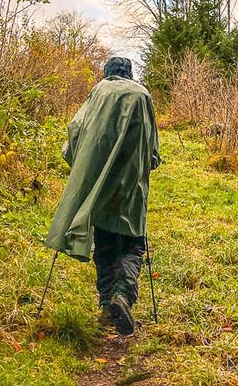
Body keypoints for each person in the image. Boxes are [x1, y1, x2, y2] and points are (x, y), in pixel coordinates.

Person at [45, 56, 160, 335]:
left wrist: (81, 163)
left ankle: (109, 301)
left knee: (105, 241)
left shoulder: (98, 93)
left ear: (106, 73)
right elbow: (152, 150)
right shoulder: (142, 95)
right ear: (129, 75)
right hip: (131, 185)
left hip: (98, 184)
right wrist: (147, 163)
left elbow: (75, 131)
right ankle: (123, 295)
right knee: (131, 243)